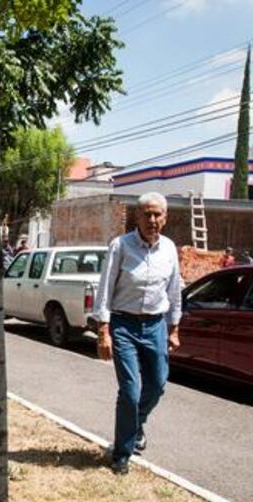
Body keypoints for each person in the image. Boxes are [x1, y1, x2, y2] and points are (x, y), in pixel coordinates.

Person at [94, 192, 182, 475]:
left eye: (158, 215)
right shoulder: (120, 246)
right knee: (130, 392)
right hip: (124, 325)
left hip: (155, 325)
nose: (152, 220)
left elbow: (174, 291)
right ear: (137, 217)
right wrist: (103, 331)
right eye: (147, 214)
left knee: (157, 384)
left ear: (165, 218)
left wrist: (174, 328)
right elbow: (105, 288)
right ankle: (122, 453)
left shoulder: (169, 249)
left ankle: (136, 423)